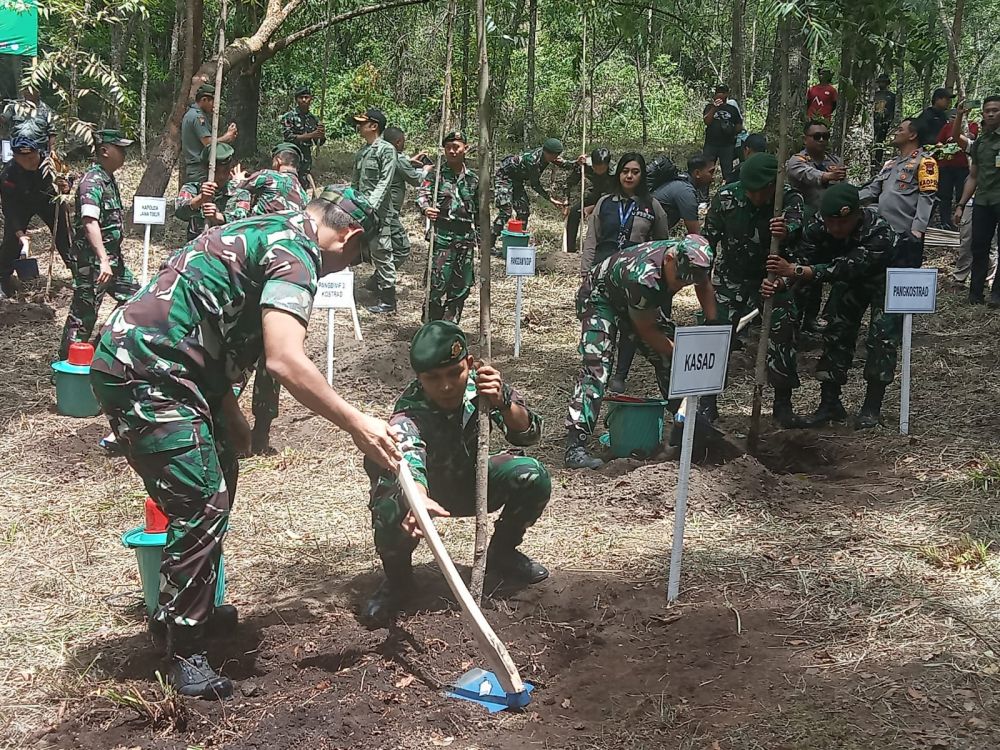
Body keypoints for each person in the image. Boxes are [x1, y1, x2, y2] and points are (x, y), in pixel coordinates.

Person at [90, 186, 400, 699]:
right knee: (200, 500)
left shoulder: (267, 230)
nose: (344, 270)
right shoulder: (297, 255)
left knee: (219, 481)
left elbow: (214, 323)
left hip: (177, 372)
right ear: (351, 236)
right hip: (149, 373)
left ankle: (192, 608)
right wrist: (357, 424)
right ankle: (184, 650)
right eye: (354, 260)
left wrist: (230, 412)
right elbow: (285, 358)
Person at [363, 321, 550, 624]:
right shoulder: (409, 409)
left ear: (470, 364)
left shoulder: (485, 388)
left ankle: (502, 554)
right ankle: (398, 582)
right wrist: (418, 498)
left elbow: (529, 435)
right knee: (390, 500)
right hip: (424, 495)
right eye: (433, 378)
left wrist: (502, 402)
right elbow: (407, 457)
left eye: (455, 373)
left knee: (531, 474)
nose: (446, 385)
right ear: (419, 377)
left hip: (474, 484)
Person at [563, 236, 717, 469]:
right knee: (597, 367)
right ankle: (576, 445)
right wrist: (683, 356)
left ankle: (687, 425)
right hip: (600, 298)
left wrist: (713, 330)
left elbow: (703, 284)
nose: (678, 286)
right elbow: (646, 330)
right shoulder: (644, 277)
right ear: (669, 259)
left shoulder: (695, 258)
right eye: (678, 279)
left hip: (635, 303)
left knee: (669, 358)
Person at [765, 183, 900, 429]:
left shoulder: (879, 231)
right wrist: (784, 280)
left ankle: (871, 407)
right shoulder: (818, 225)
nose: (835, 228)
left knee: (882, 338)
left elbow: (847, 266)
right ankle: (830, 403)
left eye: (842, 223)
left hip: (885, 280)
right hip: (847, 283)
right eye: (830, 222)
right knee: (837, 331)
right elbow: (806, 256)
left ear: (857, 215)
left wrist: (796, 270)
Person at [699, 152, 807, 426]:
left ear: (772, 186)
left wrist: (786, 231)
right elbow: (707, 241)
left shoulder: (789, 200)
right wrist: (700, 276)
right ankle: (707, 402)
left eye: (760, 192)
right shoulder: (725, 198)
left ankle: (782, 403)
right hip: (730, 277)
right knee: (714, 331)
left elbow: (801, 241)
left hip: (771, 277)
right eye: (749, 191)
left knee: (784, 330)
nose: (753, 197)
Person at [239, 142, 311, 455]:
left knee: (236, 354)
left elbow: (239, 192)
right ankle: (262, 436)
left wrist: (241, 181)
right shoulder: (305, 194)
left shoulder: (267, 178)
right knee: (272, 360)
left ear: (278, 160)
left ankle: (223, 424)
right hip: (284, 279)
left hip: (255, 271)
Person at [58, 129, 140, 360]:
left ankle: (96, 346)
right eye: (120, 149)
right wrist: (103, 260)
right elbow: (89, 221)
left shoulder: (107, 179)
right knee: (83, 314)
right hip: (93, 262)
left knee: (135, 298)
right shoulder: (92, 181)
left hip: (112, 261)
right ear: (104, 151)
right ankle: (68, 365)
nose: (124, 154)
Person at [786, 120, 847, 335]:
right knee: (798, 275)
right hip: (801, 229)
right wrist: (826, 176)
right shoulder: (797, 160)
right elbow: (806, 175)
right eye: (817, 136)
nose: (822, 140)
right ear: (806, 139)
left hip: (828, 229)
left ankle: (811, 319)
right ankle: (792, 319)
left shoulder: (833, 160)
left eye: (825, 136)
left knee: (819, 275)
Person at [0, 136, 73, 299]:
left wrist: (66, 186)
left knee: (65, 237)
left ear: (38, 152)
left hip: (48, 200)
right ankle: (3, 281)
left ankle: (80, 275)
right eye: (23, 158)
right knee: (11, 242)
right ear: (15, 157)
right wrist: (20, 234)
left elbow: (67, 177)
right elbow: (9, 209)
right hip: (21, 205)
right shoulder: (8, 174)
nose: (29, 162)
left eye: (32, 157)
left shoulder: (51, 161)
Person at [417, 130, 479, 323]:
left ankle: (450, 322)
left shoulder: (473, 179)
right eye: (448, 148)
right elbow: (422, 195)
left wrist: (484, 240)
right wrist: (427, 209)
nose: (452, 151)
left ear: (465, 149)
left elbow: (480, 210)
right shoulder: (435, 175)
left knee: (463, 283)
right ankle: (430, 321)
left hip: (465, 237)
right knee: (437, 281)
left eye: (456, 147)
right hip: (442, 234)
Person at [860, 117, 937, 269]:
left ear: (912, 135)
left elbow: (927, 197)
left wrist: (918, 230)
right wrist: (848, 198)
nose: (895, 133)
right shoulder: (891, 163)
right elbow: (872, 189)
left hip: (905, 234)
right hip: (881, 232)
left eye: (900, 130)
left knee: (901, 281)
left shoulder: (925, 162)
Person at [351, 108, 398, 313]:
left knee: (382, 251)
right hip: (361, 210)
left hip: (378, 213)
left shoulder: (386, 150)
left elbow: (384, 182)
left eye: (362, 123)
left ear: (374, 126)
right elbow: (355, 182)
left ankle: (388, 299)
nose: (359, 126)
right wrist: (351, 204)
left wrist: (370, 207)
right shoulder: (362, 152)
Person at [955, 95, 1000, 306]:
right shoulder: (981, 142)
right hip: (983, 201)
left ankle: (996, 294)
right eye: (987, 110)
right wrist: (961, 204)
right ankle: (975, 294)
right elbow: (973, 175)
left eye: (995, 110)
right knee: (979, 246)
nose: (990, 114)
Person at [492, 138, 579, 244]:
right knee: (506, 211)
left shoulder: (550, 157)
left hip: (517, 180)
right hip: (504, 177)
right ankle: (489, 243)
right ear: (546, 152)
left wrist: (577, 162)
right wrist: (551, 199)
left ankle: (518, 242)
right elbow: (535, 185)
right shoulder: (532, 161)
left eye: (557, 155)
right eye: (554, 156)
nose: (555, 158)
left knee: (523, 211)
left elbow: (565, 164)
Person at [174, 144, 251, 241]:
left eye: (226, 171)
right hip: (197, 248)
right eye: (217, 171)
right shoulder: (192, 189)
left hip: (227, 249)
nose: (222, 176)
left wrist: (217, 217)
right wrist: (200, 199)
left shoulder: (240, 193)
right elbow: (179, 212)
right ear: (205, 169)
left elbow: (242, 221)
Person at [382, 125, 427, 277]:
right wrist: (427, 169)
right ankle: (379, 281)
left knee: (382, 246)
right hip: (389, 212)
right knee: (402, 248)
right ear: (398, 142)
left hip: (379, 209)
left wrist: (409, 161)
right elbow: (416, 180)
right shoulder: (398, 158)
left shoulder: (380, 153)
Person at [180, 84, 238, 189]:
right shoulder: (197, 116)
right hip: (199, 169)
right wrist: (227, 137)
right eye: (212, 102)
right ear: (204, 99)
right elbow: (207, 143)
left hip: (196, 168)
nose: (214, 106)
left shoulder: (192, 114)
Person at [564, 147, 615, 253]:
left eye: (602, 168)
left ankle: (602, 248)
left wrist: (593, 208)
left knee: (603, 217)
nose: (598, 171)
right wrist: (566, 202)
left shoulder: (615, 171)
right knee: (574, 212)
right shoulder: (585, 164)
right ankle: (570, 250)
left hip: (611, 200)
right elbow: (570, 182)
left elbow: (613, 195)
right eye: (596, 168)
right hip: (595, 194)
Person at [652, 153, 716, 235]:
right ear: (697, 173)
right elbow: (695, 234)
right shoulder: (686, 192)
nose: (713, 177)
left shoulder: (680, 182)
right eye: (711, 172)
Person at [242, 142, 310, 215]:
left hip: (261, 225)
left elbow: (239, 186)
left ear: (278, 160)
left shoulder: (269, 176)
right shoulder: (303, 194)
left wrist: (238, 179)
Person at [935, 109, 975, 230]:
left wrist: (959, 137)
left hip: (963, 166)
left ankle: (961, 222)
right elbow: (938, 141)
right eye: (952, 116)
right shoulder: (946, 127)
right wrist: (943, 145)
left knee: (961, 194)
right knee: (945, 195)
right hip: (946, 165)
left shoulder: (972, 125)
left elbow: (972, 137)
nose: (954, 118)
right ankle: (945, 222)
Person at [280, 85, 326, 187]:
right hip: (291, 154)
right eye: (301, 97)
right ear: (296, 100)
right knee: (289, 183)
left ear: (311, 99)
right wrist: (311, 134)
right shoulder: (289, 117)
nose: (304, 100)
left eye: (306, 97)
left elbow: (319, 142)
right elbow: (289, 137)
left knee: (303, 183)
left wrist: (321, 134)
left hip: (306, 156)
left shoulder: (314, 119)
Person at [952, 194, 998, 286]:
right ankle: (960, 277)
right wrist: (960, 205)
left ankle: (988, 277)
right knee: (966, 241)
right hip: (970, 201)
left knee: (991, 242)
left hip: (994, 202)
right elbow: (971, 179)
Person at [702, 84, 743, 183]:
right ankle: (703, 195)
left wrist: (731, 130)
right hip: (711, 145)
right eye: (718, 93)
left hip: (727, 146)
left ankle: (727, 193)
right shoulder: (709, 107)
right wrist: (714, 108)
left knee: (728, 172)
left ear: (727, 94)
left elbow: (739, 126)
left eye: (723, 93)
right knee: (707, 169)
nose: (720, 95)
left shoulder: (732, 109)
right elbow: (706, 121)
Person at [0, 90, 56, 155]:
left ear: (38, 92)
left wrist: (52, 152)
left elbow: (52, 133)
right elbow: (3, 119)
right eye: (26, 90)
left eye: (31, 91)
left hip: (38, 151)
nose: (28, 93)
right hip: (17, 150)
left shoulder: (47, 111)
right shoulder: (14, 107)